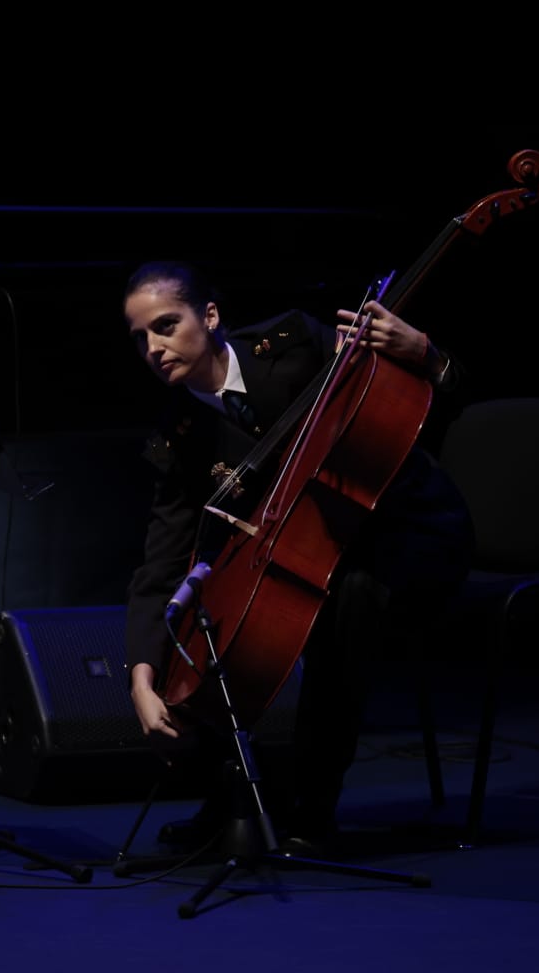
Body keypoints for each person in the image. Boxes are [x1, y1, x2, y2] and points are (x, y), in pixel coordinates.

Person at [121, 259, 475, 855]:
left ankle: (314, 806)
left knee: (342, 606)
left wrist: (424, 352)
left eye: (165, 325)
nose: (154, 348)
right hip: (310, 551)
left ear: (209, 317)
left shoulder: (294, 343)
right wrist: (140, 670)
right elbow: (162, 558)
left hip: (408, 534)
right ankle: (231, 797)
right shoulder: (178, 433)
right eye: (140, 338)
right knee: (202, 631)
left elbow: (449, 388)